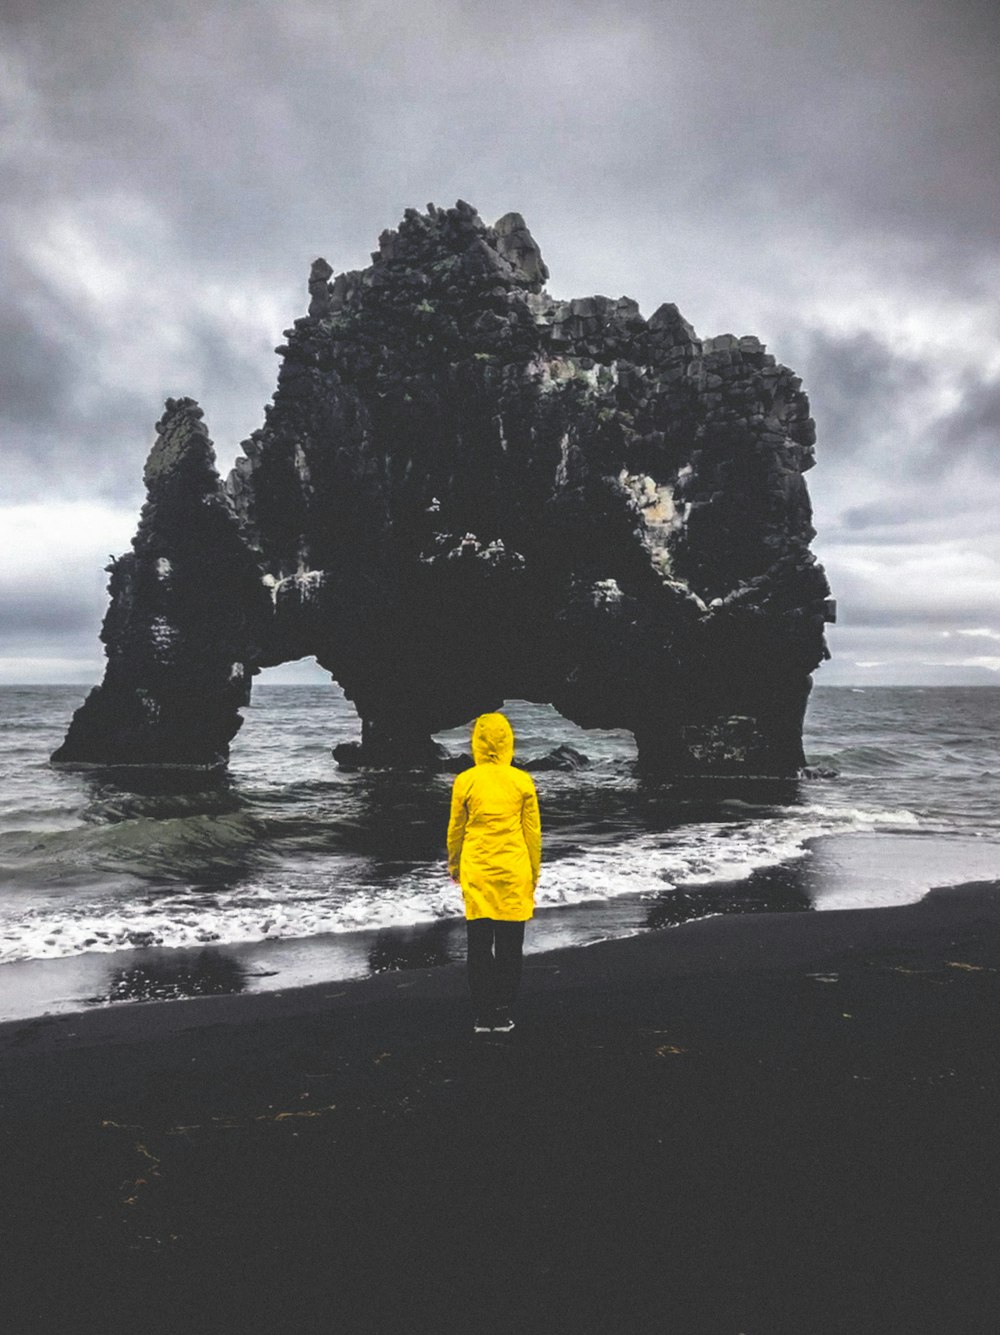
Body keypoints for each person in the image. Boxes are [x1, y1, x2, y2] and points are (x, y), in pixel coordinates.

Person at [447, 712, 541, 1034]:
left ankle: (482, 1015)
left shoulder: (465, 780)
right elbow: (533, 834)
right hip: (514, 871)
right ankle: (502, 1013)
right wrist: (534, 872)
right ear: (508, 742)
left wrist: (453, 863)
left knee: (479, 944)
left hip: (478, 871)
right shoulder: (522, 780)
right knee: (510, 946)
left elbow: (455, 829)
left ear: (477, 741)